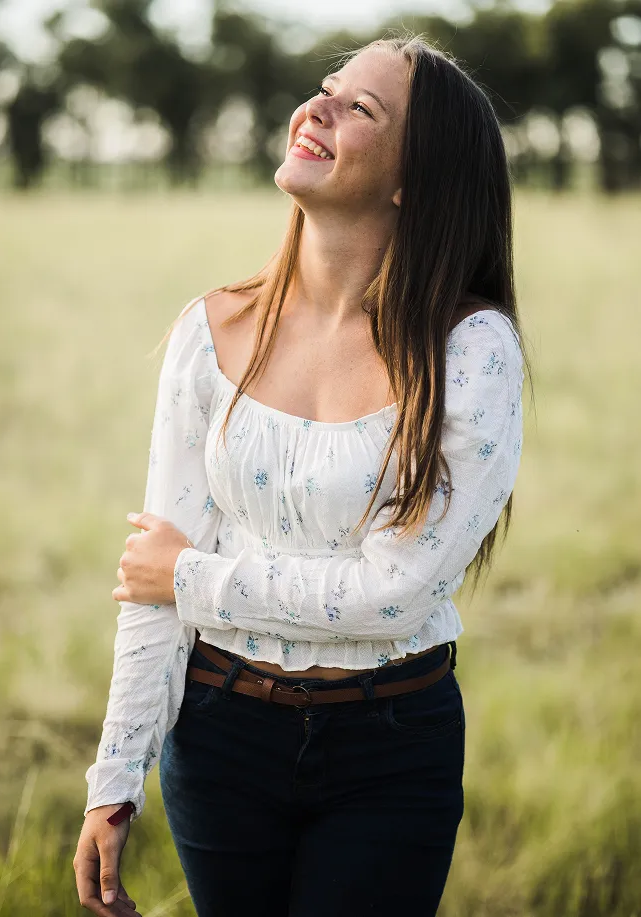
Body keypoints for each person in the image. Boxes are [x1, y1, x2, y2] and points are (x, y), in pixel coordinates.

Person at [74, 33, 532, 917]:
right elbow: (150, 588)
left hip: (389, 745)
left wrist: (192, 576)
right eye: (324, 88)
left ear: (412, 179)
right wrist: (115, 776)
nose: (314, 108)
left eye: (359, 107)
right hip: (218, 735)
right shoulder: (208, 330)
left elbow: (393, 595)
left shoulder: (470, 352)